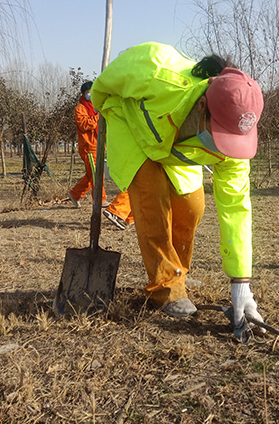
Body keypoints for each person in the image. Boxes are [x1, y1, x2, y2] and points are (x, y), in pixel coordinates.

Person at [91, 42, 265, 329]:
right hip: (132, 131)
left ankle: (177, 273)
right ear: (202, 107)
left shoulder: (235, 143)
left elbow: (236, 208)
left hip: (175, 147)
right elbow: (105, 84)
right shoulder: (155, 69)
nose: (228, 148)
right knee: (152, 204)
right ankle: (165, 286)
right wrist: (102, 107)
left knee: (192, 207)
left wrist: (241, 285)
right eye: (220, 132)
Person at [67, 81, 107, 207]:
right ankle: (100, 200)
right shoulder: (80, 108)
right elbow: (84, 125)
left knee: (92, 175)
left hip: (98, 145)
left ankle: (75, 194)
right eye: (87, 93)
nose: (89, 95)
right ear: (83, 94)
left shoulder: (97, 105)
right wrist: (98, 117)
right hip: (88, 147)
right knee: (96, 174)